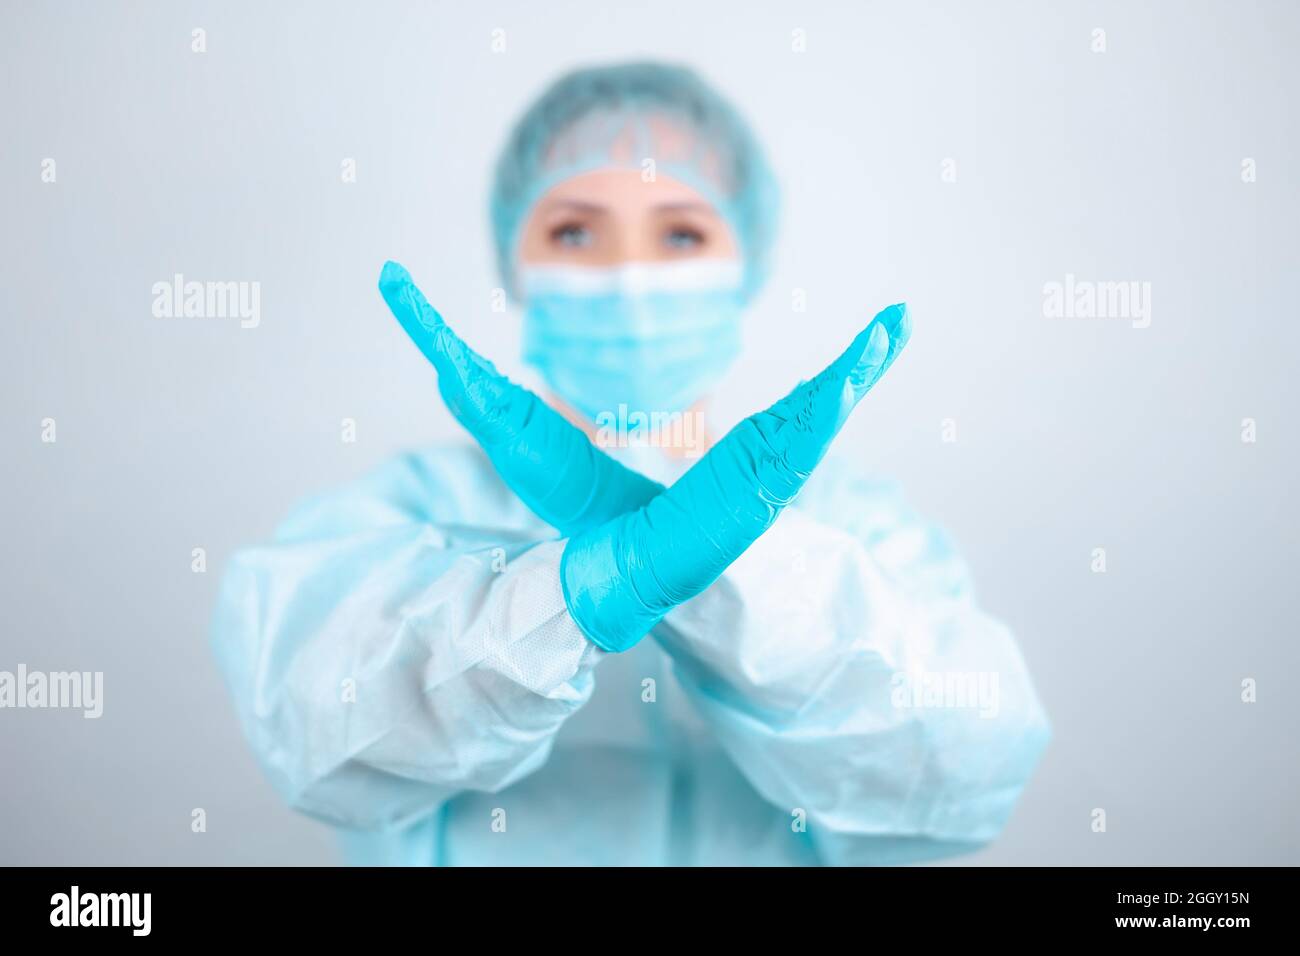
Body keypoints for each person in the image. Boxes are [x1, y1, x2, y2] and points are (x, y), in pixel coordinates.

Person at [211, 62, 1050, 866]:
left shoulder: (855, 519)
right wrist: (573, 593)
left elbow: (966, 771)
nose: (630, 276)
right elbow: (312, 722)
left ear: (746, 264)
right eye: (574, 231)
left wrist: (725, 568)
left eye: (682, 232)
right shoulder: (411, 505)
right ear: (514, 262)